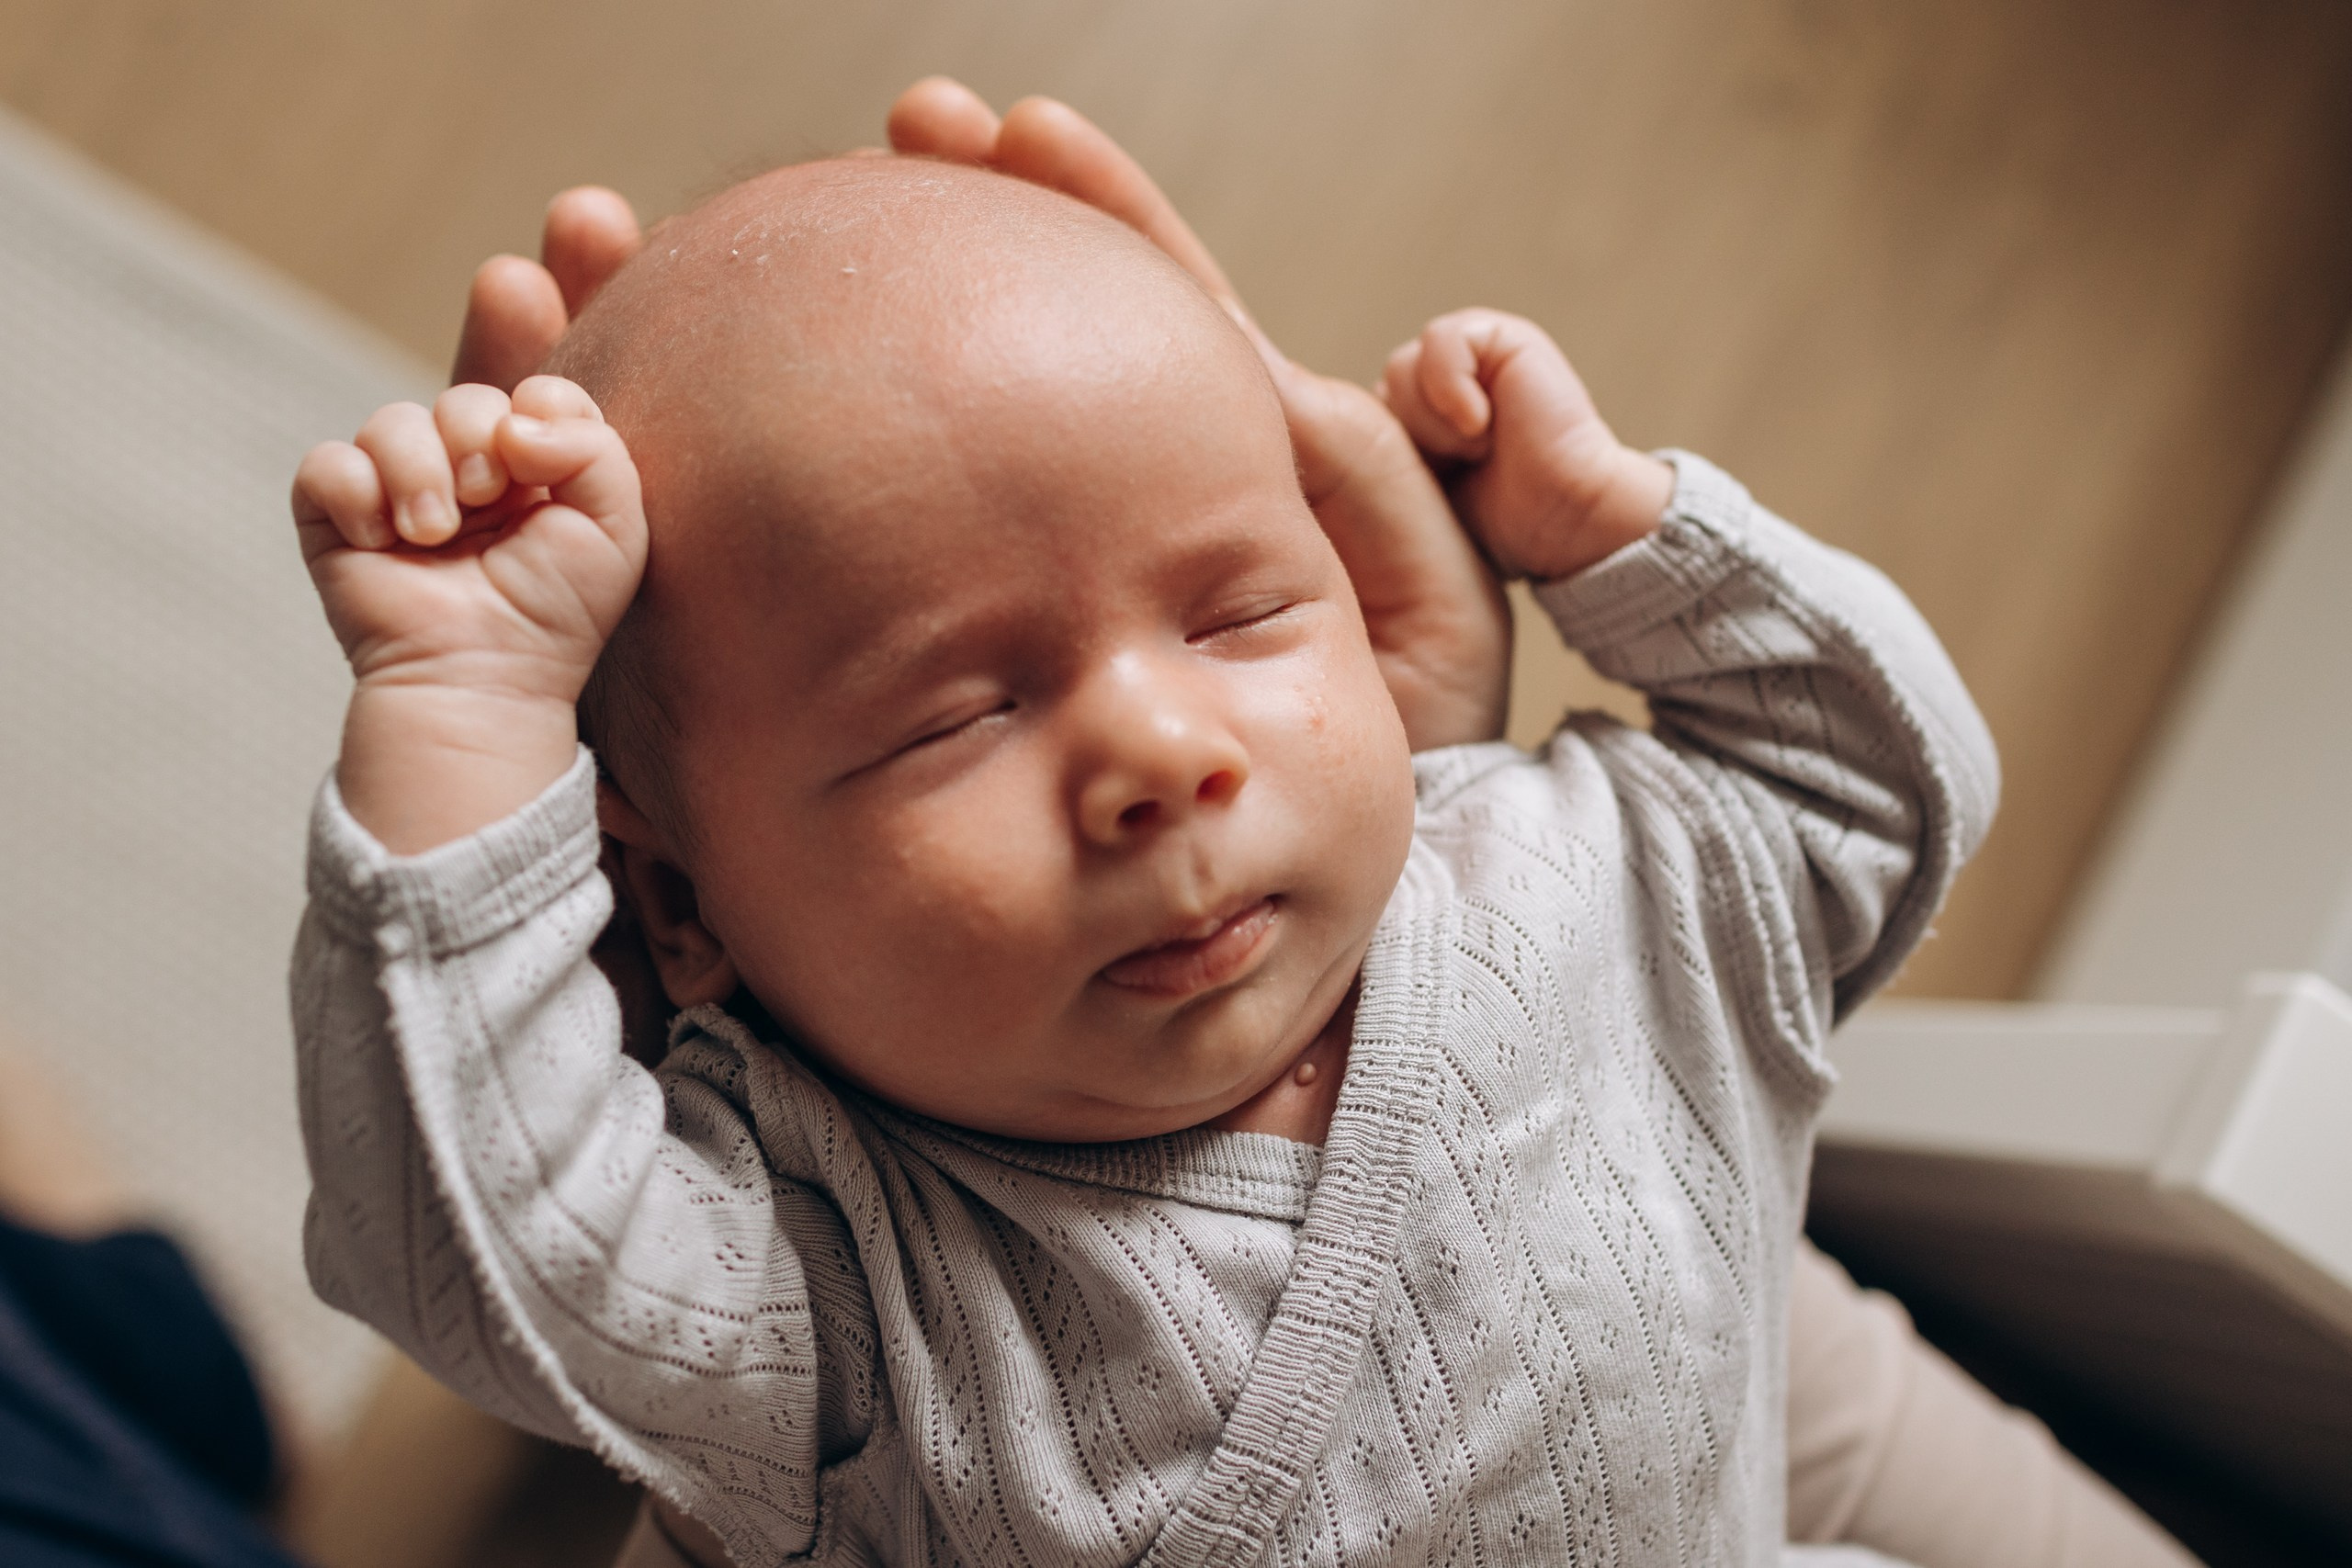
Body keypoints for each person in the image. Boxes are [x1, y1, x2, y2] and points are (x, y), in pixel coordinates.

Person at [286, 80, 2190, 1568]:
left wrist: (1613, 525)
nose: (1159, 748)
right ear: (676, 903)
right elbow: (473, 1234)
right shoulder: (833, 1273)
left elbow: (1863, 780)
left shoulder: (1572, 878)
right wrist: (465, 710)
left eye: (1237, 613)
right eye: (953, 715)